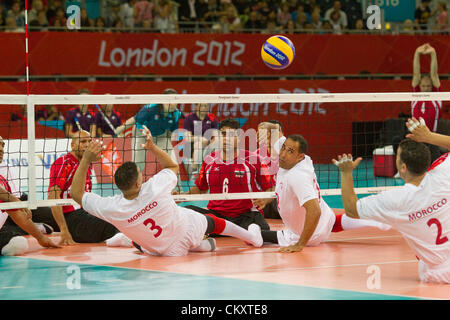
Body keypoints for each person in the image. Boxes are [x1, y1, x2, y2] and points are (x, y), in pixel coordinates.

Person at [69, 126, 263, 257]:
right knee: (211, 222)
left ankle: (128, 239)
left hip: (161, 251)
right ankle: (251, 238)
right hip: (186, 232)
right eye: (140, 175)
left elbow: (76, 194)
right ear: (137, 184)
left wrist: (86, 159)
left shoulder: (112, 207)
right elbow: (172, 166)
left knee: (142, 236)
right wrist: (152, 147)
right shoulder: (153, 188)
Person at [333, 125, 449, 283]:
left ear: (403, 167)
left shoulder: (396, 199)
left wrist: (346, 173)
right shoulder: (443, 174)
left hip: (439, 273)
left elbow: (352, 210)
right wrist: (428, 136)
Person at [253, 131, 390, 253]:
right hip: (326, 218)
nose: (282, 154)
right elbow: (276, 133)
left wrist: (300, 245)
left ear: (300, 156)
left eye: (290, 151)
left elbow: (314, 211)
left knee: (254, 233)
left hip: (307, 234)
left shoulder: (297, 177)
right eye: (283, 148)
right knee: (330, 222)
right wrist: (267, 126)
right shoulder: (296, 159)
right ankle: (379, 218)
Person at [176, 117, 275, 232]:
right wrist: (181, 195)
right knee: (186, 212)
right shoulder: (209, 160)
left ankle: (220, 232)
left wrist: (265, 199)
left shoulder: (254, 160)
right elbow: (200, 189)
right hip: (216, 216)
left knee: (262, 229)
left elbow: (270, 188)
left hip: (244, 215)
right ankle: (230, 231)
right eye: (223, 134)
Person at [31, 130, 120, 246]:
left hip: (83, 212)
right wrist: (64, 230)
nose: (87, 145)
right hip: (71, 217)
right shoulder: (63, 163)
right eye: (83, 141)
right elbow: (53, 197)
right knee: (112, 223)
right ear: (72, 145)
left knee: (115, 213)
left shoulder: (86, 162)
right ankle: (128, 239)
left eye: (89, 141)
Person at [0, 137, 59, 256]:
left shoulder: (3, 181)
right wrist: (15, 200)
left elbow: (16, 213)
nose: (1, 149)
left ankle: (39, 228)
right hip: (16, 200)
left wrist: (41, 238)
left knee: (19, 244)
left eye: (3, 145)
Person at [114, 88, 181, 173]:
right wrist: (119, 130)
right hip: (142, 133)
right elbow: (135, 119)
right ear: (163, 101)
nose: (173, 104)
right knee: (138, 164)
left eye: (175, 100)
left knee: (173, 163)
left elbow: (171, 132)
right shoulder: (151, 108)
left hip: (161, 136)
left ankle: (177, 186)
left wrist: (169, 147)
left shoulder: (176, 114)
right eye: (170, 100)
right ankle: (135, 184)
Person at [411, 43, 442, 162]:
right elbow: (416, 74)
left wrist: (433, 53)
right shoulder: (415, 96)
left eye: (428, 85)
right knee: (398, 141)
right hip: (416, 137)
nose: (426, 88)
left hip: (432, 138)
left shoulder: (436, 97)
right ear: (420, 86)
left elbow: (434, 75)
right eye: (423, 86)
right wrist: (417, 53)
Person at [182, 103, 218, 174]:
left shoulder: (211, 118)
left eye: (206, 106)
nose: (204, 108)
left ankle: (214, 170)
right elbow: (188, 138)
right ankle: (194, 171)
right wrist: (200, 139)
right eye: (202, 106)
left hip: (207, 145)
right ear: (196, 106)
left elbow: (216, 136)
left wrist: (209, 142)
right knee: (198, 145)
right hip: (191, 146)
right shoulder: (189, 118)